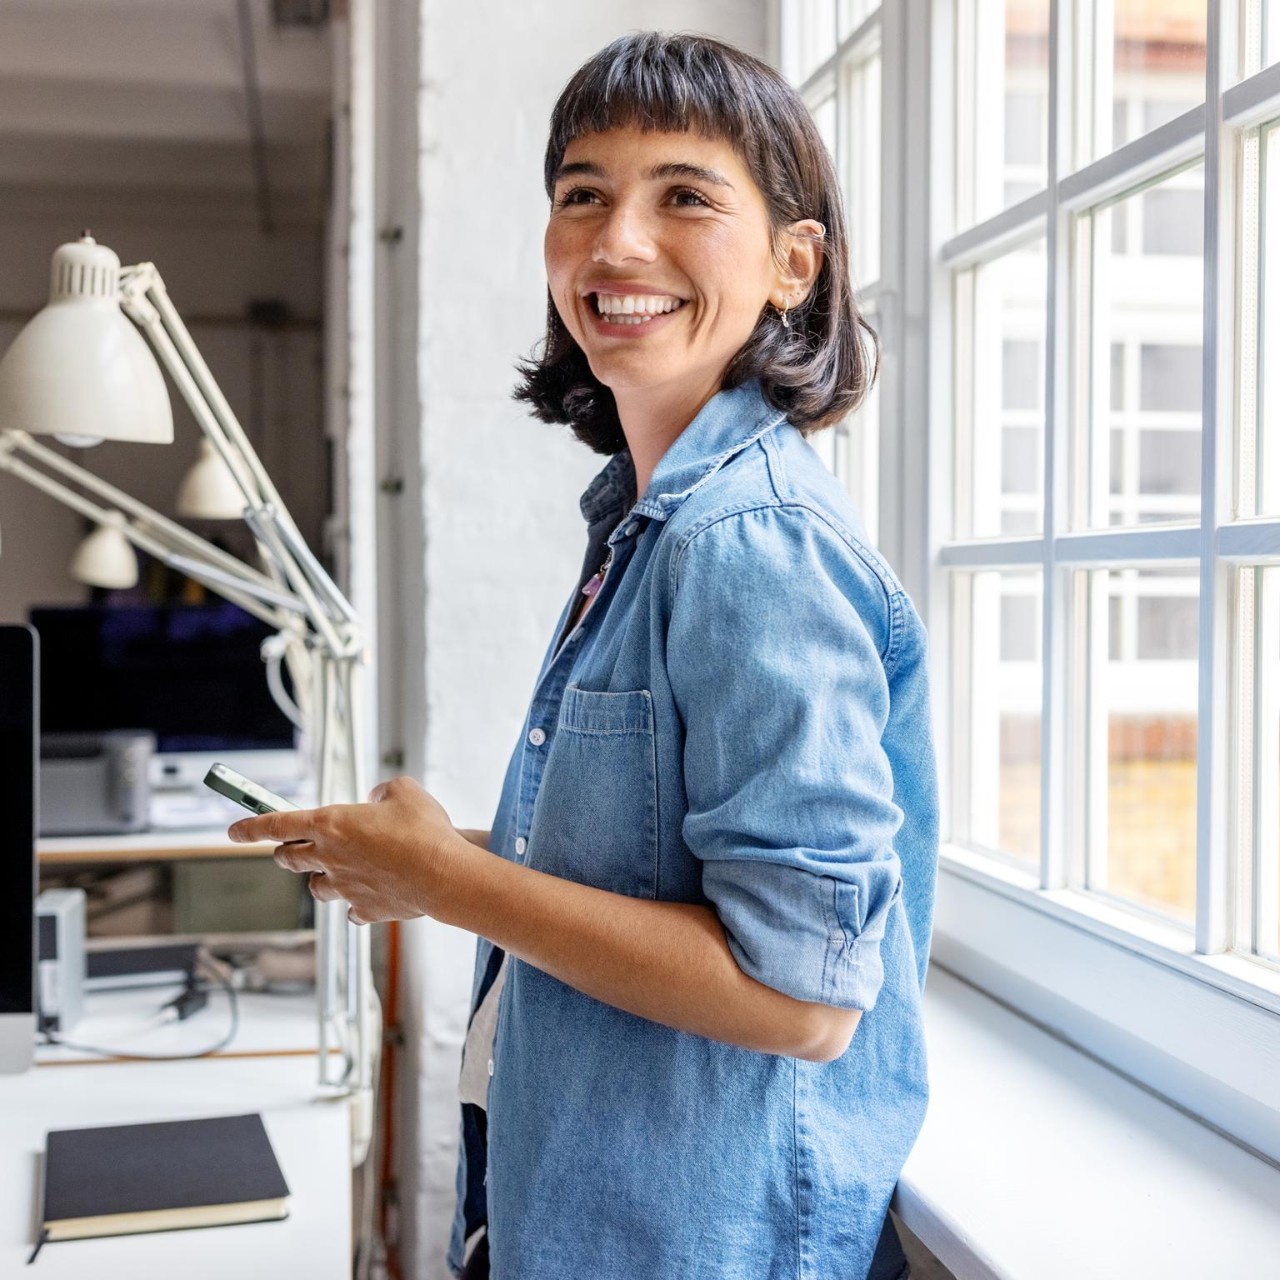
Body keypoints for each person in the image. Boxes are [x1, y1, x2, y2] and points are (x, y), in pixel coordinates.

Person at [230, 31, 938, 1280]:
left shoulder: (750, 544)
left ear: (792, 261)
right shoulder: (650, 519)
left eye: (683, 195)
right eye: (581, 194)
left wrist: (447, 876)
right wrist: (424, 869)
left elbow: (805, 1000)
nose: (615, 242)